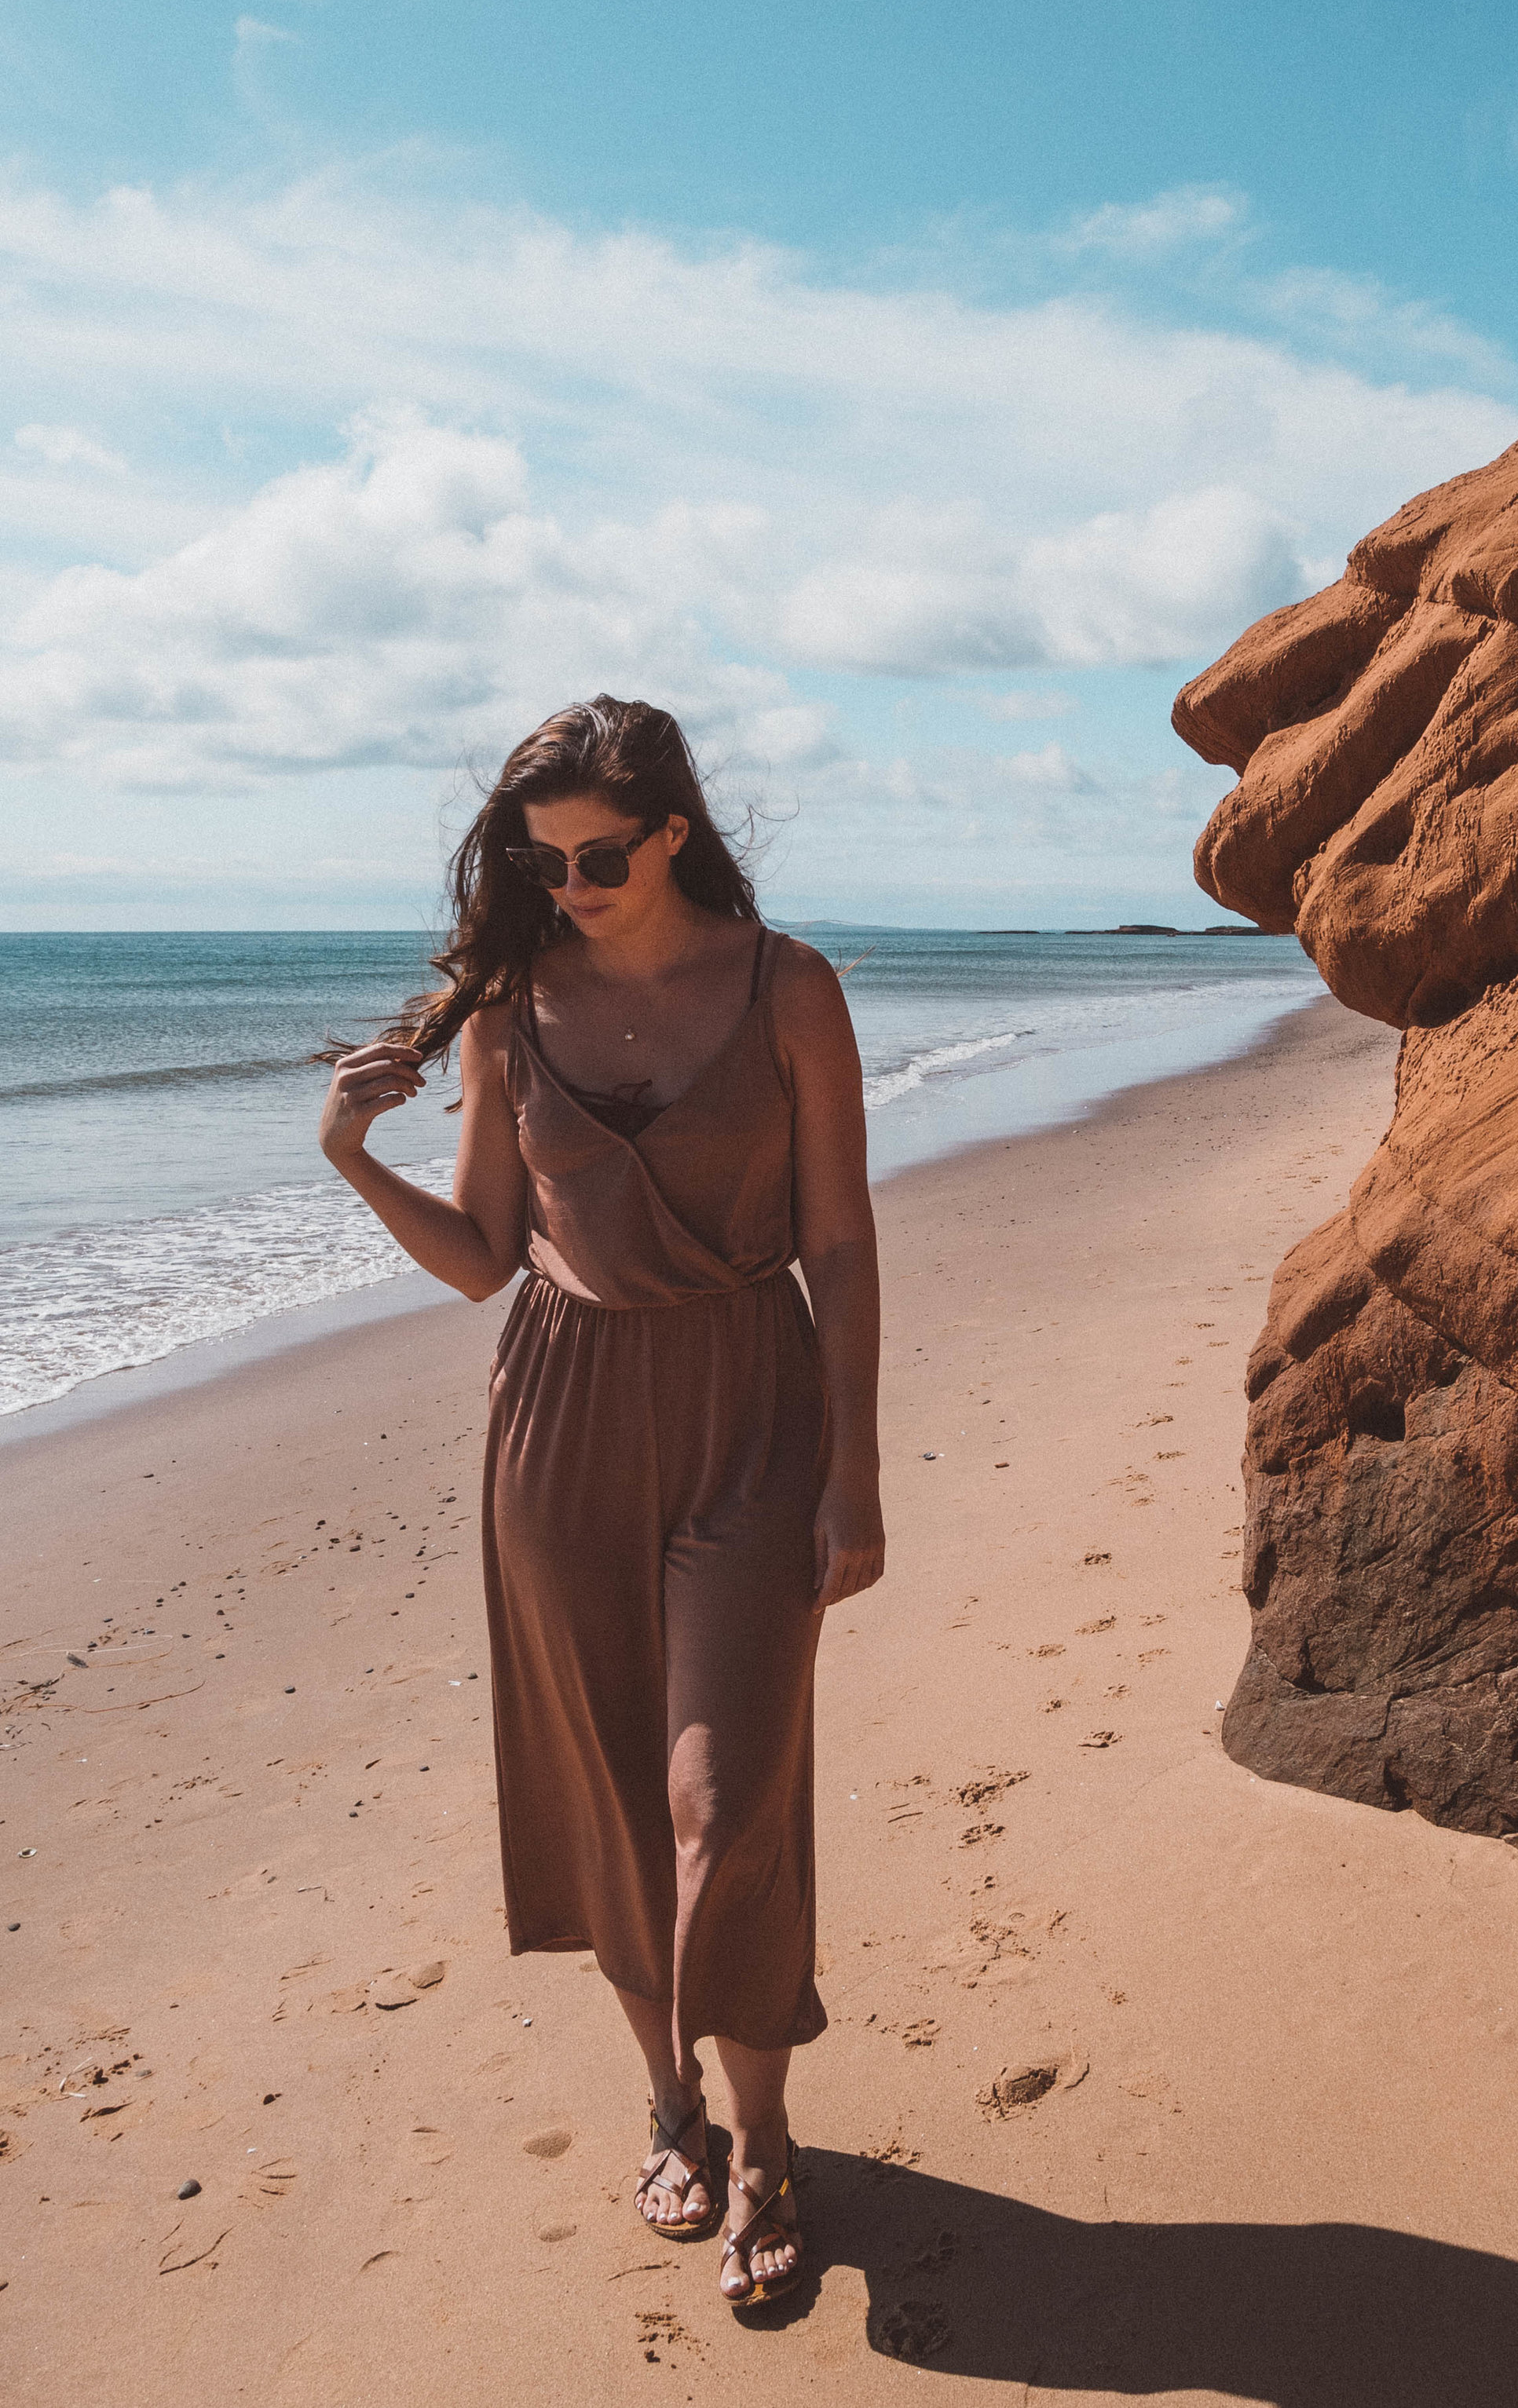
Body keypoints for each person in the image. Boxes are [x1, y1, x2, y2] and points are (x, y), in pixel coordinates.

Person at [316, 696, 883, 2310]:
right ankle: (674, 2112)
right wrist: (355, 1158)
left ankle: (771, 2146)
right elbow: (488, 1257)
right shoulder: (510, 1007)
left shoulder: (788, 989)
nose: (568, 884)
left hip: (750, 1411)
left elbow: (837, 1243)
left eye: (600, 855)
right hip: (557, 1416)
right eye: (541, 859)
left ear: (677, 834)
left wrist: (853, 1465)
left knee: (729, 1799)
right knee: (609, 1799)